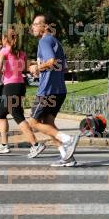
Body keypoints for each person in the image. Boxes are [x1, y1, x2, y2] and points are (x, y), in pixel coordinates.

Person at [27, 14, 79, 167]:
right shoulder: (55, 41)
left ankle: (68, 139)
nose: (33, 27)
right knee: (49, 123)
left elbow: (51, 61)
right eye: (33, 24)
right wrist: (40, 70)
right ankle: (66, 156)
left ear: (45, 26)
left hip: (47, 90)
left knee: (33, 123)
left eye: (37, 24)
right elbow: (63, 66)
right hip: (59, 90)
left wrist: (38, 67)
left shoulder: (45, 40)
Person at [0, 29, 45, 158]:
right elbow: (25, 68)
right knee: (0, 113)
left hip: (11, 87)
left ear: (5, 39)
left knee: (17, 115)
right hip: (20, 85)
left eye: (3, 39)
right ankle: (4, 145)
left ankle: (35, 145)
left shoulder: (4, 51)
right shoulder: (22, 53)